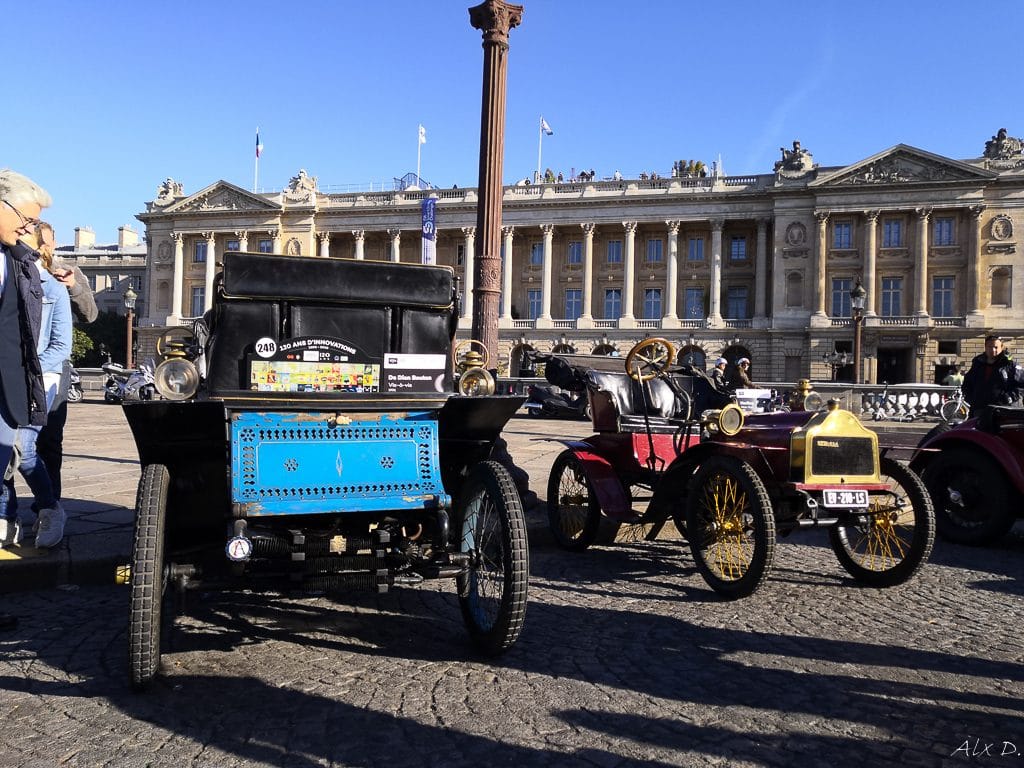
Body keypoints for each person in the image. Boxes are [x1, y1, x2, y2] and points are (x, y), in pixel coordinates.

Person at [5, 225, 71, 548]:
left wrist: (25, 369)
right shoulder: (7, 284)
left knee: (24, 448)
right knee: (2, 452)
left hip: (40, 377)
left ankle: (50, 508)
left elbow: (61, 347)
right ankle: (7, 514)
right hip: (6, 376)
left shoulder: (55, 290)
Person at [0, 169, 53, 549]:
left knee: (13, 458)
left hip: (10, 383)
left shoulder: (21, 263)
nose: (28, 229)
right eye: (26, 220)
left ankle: (36, 512)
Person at [34, 222, 95, 501]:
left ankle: (49, 505)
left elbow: (91, 315)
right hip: (22, 359)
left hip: (56, 364)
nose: (43, 248)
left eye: (46, 242)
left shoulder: (69, 270)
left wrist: (73, 287)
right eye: (38, 243)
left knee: (50, 439)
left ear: (54, 243)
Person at [962, 335, 1023, 417]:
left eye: (996, 347)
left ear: (1001, 347)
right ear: (985, 347)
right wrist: (970, 398)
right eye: (989, 347)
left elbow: (1021, 386)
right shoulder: (978, 363)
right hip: (979, 409)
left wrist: (1008, 398)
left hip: (1003, 409)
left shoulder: (1009, 365)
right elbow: (967, 382)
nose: (993, 350)